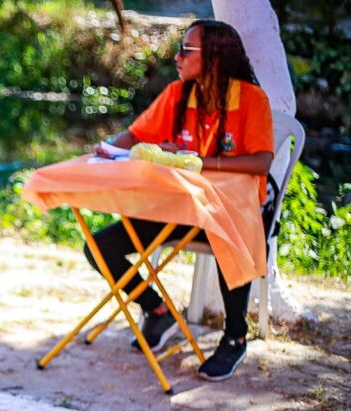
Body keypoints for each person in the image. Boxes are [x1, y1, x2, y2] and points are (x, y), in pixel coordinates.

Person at [87, 19, 275, 381]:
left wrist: (200, 160)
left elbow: (261, 161)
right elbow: (135, 135)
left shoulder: (251, 99)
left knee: (229, 237)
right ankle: (157, 311)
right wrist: (107, 150)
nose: (177, 57)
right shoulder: (178, 94)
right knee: (98, 246)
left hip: (230, 213)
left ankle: (235, 337)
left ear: (215, 58)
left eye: (186, 50)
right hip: (176, 208)